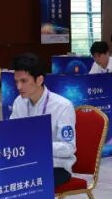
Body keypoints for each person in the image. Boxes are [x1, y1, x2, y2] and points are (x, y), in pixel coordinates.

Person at [9, 53, 75, 187]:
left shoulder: (63, 106)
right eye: (16, 81)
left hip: (56, 166)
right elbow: (11, 134)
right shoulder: (19, 102)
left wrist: (38, 145)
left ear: (39, 80)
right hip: (27, 163)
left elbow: (69, 148)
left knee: (24, 183)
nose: (19, 87)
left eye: (24, 81)